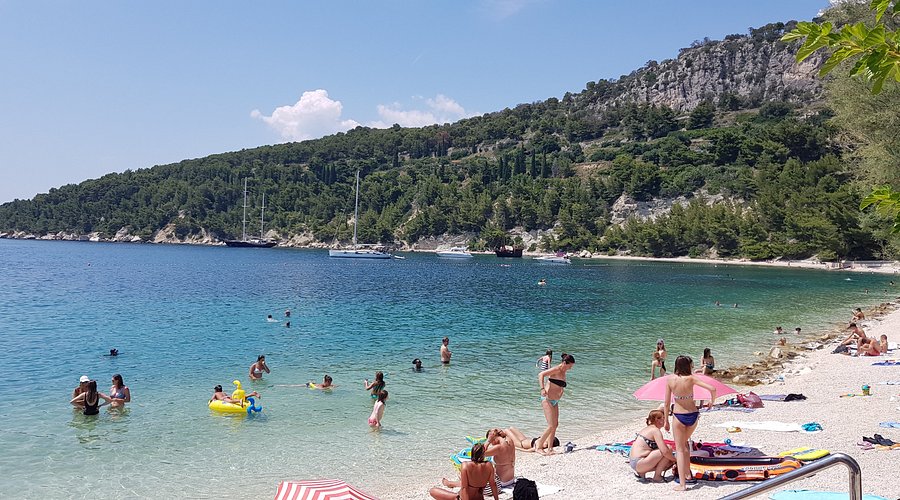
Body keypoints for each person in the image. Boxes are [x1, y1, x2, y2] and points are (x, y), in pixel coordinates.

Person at [664, 355, 716, 491]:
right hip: (693, 416)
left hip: (679, 416)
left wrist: (665, 421)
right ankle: (687, 475)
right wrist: (712, 402)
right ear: (687, 366)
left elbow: (666, 404)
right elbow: (712, 389)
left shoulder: (670, 380)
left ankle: (682, 485)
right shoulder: (692, 378)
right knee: (684, 445)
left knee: (679, 449)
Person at [535, 353, 575, 455]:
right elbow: (541, 375)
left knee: (555, 425)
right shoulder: (557, 369)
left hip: (555, 401)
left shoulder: (563, 371)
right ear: (565, 363)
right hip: (547, 399)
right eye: (570, 366)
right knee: (551, 425)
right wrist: (542, 388)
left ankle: (550, 448)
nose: (570, 368)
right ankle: (539, 446)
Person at [429, 443, 499, 500]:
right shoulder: (489, 465)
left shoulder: (465, 465)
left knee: (432, 490)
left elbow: (464, 487)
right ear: (483, 454)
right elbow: (493, 484)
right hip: (479, 498)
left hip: (462, 498)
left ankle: (448, 484)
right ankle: (449, 483)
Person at [628, 410, 675, 482]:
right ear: (657, 420)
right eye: (663, 418)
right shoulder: (655, 431)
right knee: (668, 448)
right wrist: (675, 460)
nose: (665, 420)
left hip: (634, 462)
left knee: (667, 458)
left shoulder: (647, 429)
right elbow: (664, 451)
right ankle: (657, 477)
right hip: (640, 462)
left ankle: (642, 473)